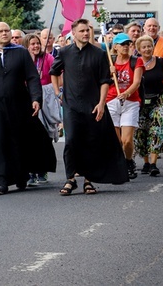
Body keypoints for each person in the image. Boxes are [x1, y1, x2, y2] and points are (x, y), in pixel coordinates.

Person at [0, 22, 56, 195]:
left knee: (19, 141)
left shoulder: (21, 53)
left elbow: (33, 78)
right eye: (0, 31)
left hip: (19, 103)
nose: (4, 33)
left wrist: (36, 99)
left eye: (6, 31)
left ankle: (21, 176)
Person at [50, 19, 129, 196]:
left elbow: (104, 81)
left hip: (92, 104)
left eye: (87, 30)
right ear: (74, 33)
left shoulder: (99, 53)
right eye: (82, 31)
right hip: (70, 104)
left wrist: (101, 103)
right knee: (71, 141)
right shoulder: (64, 52)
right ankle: (70, 179)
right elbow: (54, 73)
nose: (85, 33)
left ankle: (88, 180)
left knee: (91, 141)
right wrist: (57, 92)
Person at [134, 35, 163, 176]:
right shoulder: (136, 63)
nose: (147, 49)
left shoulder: (160, 62)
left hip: (159, 100)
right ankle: (146, 162)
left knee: (157, 129)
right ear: (139, 50)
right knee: (141, 132)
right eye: (144, 47)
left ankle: (154, 163)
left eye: (149, 46)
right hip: (141, 102)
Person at [105, 33, 144, 180]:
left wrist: (126, 93)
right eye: (122, 44)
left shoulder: (136, 61)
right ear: (115, 47)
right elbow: (102, 80)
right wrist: (109, 73)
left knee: (127, 140)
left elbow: (137, 82)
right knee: (117, 140)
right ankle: (119, 164)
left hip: (130, 101)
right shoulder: (110, 61)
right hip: (112, 101)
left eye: (128, 44)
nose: (126, 47)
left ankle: (129, 161)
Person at [24, 32, 61, 185]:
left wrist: (57, 90)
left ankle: (42, 169)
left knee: (45, 135)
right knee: (30, 136)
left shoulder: (47, 58)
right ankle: (30, 171)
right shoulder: (23, 60)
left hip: (46, 96)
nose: (36, 46)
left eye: (37, 43)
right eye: (32, 44)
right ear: (27, 46)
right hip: (28, 98)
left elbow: (57, 73)